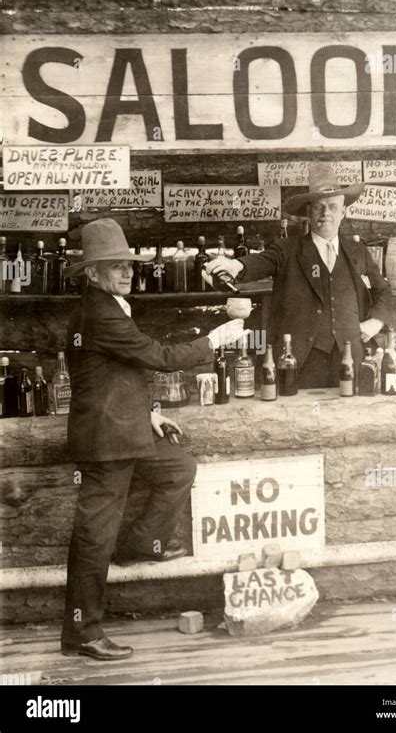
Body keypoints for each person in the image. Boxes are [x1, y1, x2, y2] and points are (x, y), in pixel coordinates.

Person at [60, 218, 243, 661]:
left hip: (126, 428)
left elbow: (115, 372)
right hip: (107, 440)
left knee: (178, 467)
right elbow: (159, 358)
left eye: (128, 264)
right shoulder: (100, 313)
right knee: (93, 538)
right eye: (114, 266)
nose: (126, 272)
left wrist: (148, 414)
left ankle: (141, 542)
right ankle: (82, 633)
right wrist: (216, 337)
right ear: (91, 273)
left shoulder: (111, 307)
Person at [206, 162, 394, 388]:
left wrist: (376, 321)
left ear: (343, 212)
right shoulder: (287, 249)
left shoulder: (357, 252)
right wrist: (236, 266)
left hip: (350, 357)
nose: (326, 214)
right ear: (308, 212)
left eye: (333, 207)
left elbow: (383, 290)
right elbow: (262, 261)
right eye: (319, 207)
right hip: (302, 360)